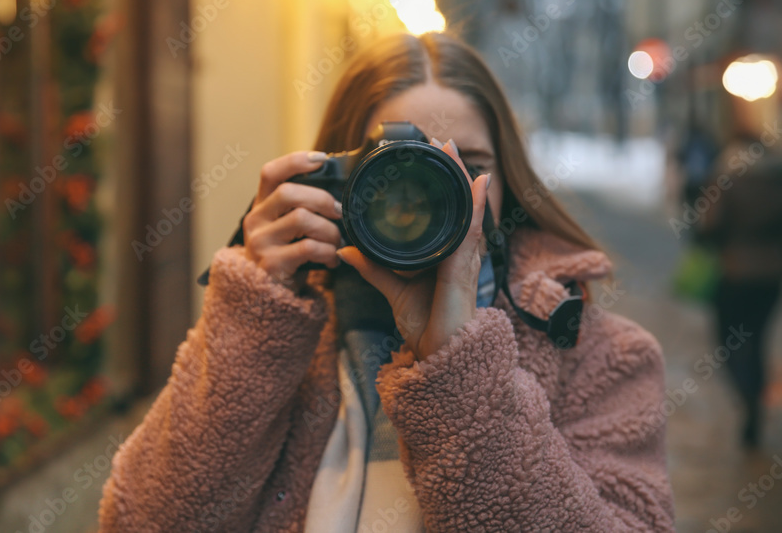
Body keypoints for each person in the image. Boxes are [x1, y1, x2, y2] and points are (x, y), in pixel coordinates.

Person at [98, 32, 675, 531]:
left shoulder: (598, 355)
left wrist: (458, 368)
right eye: (393, 168)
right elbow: (144, 522)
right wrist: (254, 313)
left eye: (465, 165)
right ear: (336, 182)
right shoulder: (277, 342)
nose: (422, 193)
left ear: (510, 182)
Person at [698, 130, 782, 448]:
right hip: (771, 275)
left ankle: (746, 394)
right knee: (758, 340)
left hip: (734, 272)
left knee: (728, 342)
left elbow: (709, 223)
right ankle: (755, 398)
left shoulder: (727, 174)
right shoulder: (777, 175)